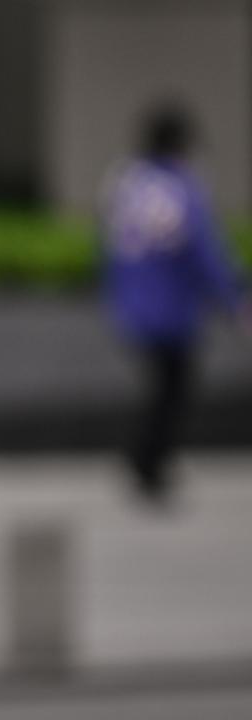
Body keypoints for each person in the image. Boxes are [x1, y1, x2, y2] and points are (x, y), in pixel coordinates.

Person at [98, 103, 251, 507]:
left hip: (135, 306)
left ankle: (147, 461)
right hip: (172, 309)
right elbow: (207, 253)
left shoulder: (126, 182)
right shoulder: (184, 187)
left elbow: (111, 249)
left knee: (162, 387)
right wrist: (237, 299)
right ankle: (147, 463)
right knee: (173, 390)